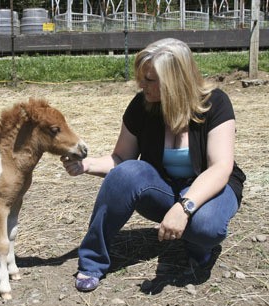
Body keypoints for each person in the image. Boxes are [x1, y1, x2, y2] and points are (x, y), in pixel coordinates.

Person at [61, 38, 246, 292]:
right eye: (142, 77)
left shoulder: (215, 103)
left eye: (149, 80)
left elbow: (220, 168)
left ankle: (197, 244)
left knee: (206, 226)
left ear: (174, 80)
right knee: (126, 174)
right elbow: (121, 160)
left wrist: (184, 208)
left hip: (211, 188)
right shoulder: (142, 106)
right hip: (165, 189)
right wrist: (86, 165)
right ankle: (92, 261)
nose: (141, 84)